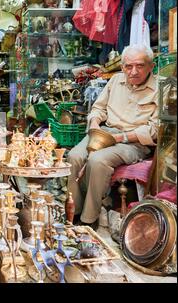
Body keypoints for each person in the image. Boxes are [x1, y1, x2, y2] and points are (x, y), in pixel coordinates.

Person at [67, 44, 158, 230]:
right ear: (122, 66)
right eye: (128, 66)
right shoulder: (116, 80)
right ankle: (73, 211)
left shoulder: (159, 88)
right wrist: (94, 124)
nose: (133, 71)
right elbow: (98, 108)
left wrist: (120, 138)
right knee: (74, 157)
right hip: (105, 132)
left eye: (139, 66)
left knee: (98, 161)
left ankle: (88, 218)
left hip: (133, 142)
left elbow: (155, 130)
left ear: (151, 66)